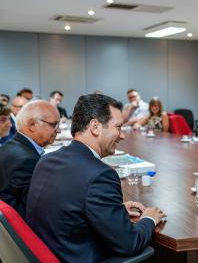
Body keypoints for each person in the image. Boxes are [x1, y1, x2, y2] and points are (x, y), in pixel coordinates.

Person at [26, 94, 166, 262]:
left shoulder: (46, 160)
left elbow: (69, 207)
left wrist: (114, 210)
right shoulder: (101, 175)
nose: (122, 135)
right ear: (95, 127)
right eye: (118, 127)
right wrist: (149, 218)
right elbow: (129, 243)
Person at [0, 100, 60, 217]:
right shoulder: (26, 161)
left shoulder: (10, 146)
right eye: (53, 125)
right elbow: (39, 209)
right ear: (32, 125)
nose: (58, 130)